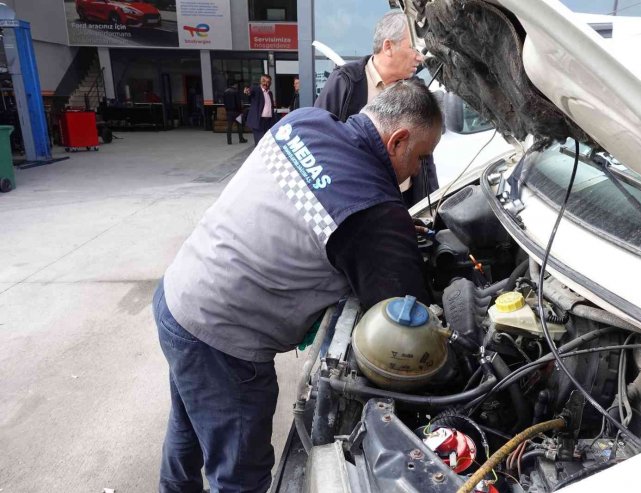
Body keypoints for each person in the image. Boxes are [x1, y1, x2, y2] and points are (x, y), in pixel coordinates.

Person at [154, 79, 442, 493]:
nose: (418, 171)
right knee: (239, 477)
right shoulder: (375, 211)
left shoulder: (305, 122)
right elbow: (404, 319)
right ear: (397, 140)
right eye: (420, 157)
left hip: (178, 295)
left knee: (188, 431)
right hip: (223, 340)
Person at [314, 10, 437, 207]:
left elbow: (425, 158)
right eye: (414, 48)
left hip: (403, 200)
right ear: (388, 46)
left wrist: (431, 204)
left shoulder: (418, 90)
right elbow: (318, 142)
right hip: (355, 202)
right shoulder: (346, 81)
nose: (420, 58)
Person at [243, 74, 276, 145]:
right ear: (260, 81)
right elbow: (250, 91)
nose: (265, 83)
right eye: (263, 81)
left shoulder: (270, 93)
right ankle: (258, 155)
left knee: (266, 142)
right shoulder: (256, 89)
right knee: (260, 143)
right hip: (259, 121)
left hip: (268, 122)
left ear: (270, 83)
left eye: (268, 82)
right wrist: (247, 91)